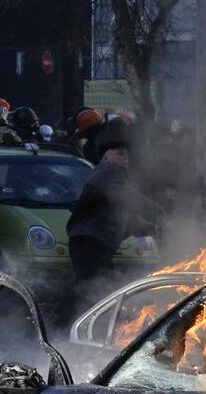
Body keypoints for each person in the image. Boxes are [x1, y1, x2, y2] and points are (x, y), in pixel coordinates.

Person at [64, 123, 161, 320]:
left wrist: (147, 228)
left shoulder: (115, 178)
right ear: (106, 157)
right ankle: (67, 323)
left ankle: (91, 322)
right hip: (89, 241)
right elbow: (133, 199)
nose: (124, 157)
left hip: (96, 242)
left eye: (125, 154)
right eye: (118, 153)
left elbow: (124, 216)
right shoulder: (108, 173)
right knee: (92, 286)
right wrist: (159, 211)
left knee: (101, 284)